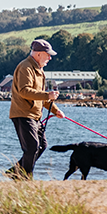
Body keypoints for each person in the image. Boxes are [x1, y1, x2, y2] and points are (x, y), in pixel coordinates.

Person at [8, 39, 64, 180]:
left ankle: (15, 172)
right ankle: (26, 178)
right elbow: (24, 91)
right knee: (32, 147)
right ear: (39, 54)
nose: (50, 58)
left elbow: (40, 97)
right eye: (48, 55)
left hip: (34, 115)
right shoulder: (25, 67)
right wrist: (48, 95)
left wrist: (55, 110)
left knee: (42, 145)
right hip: (23, 114)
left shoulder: (39, 70)